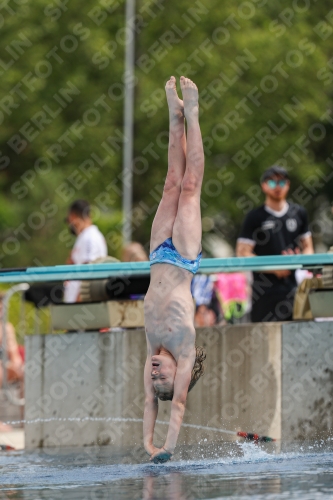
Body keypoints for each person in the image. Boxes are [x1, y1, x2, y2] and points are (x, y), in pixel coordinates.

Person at [143, 76, 206, 464]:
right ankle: (194, 113)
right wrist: (166, 448)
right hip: (182, 256)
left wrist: (145, 444)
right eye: (160, 376)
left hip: (155, 255)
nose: (154, 372)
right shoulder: (184, 350)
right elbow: (175, 403)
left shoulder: (152, 347)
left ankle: (174, 116)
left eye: (154, 378)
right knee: (190, 185)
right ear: (178, 371)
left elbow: (149, 402)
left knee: (170, 183)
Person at [236, 165, 314, 322]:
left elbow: (308, 247)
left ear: (288, 185)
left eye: (281, 182)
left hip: (295, 288)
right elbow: (242, 253)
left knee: (298, 335)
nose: (277, 187)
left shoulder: (299, 213)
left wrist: (297, 262)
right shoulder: (255, 217)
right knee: (264, 340)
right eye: (272, 182)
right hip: (264, 291)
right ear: (264, 186)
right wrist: (273, 268)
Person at [63, 200, 107, 303]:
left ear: (73, 216)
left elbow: (88, 270)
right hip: (78, 298)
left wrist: (80, 298)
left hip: (82, 300)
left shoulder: (89, 238)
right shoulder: (85, 236)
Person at [0, 293, 24, 432]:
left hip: (3, 368)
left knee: (27, 372)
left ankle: (26, 421)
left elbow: (14, 355)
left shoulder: (6, 327)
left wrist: (17, 366)